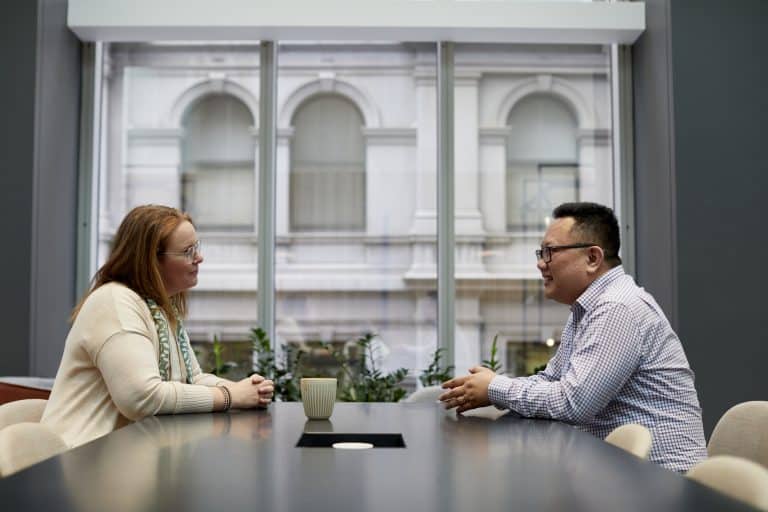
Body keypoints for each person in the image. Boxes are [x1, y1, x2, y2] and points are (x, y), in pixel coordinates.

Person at [439, 202, 707, 472]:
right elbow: (551, 380)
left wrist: (496, 387)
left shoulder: (617, 308)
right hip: (625, 476)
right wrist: (492, 388)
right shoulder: (588, 308)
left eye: (550, 252)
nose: (540, 263)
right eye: (541, 252)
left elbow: (573, 403)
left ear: (593, 258)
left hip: (664, 485)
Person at [42, 205, 273, 448]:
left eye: (197, 247)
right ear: (151, 260)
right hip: (82, 462)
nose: (199, 258)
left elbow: (192, 379)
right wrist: (230, 397)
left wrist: (241, 390)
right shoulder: (115, 303)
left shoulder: (160, 307)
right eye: (188, 251)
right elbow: (142, 398)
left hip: (118, 458)